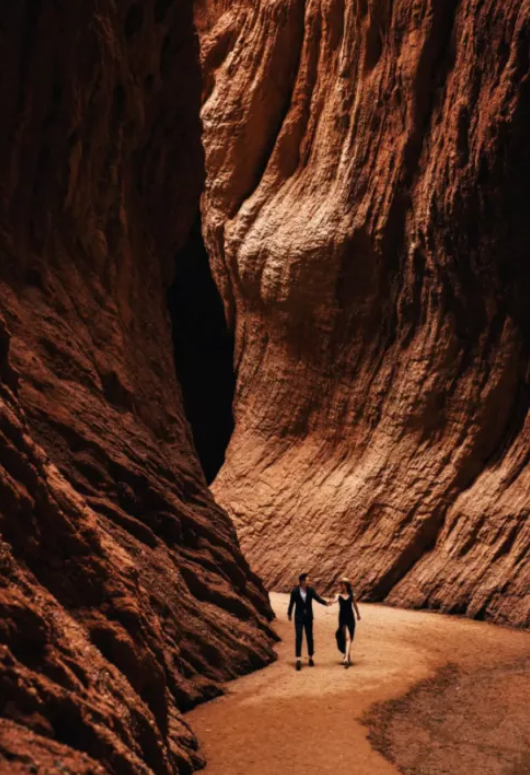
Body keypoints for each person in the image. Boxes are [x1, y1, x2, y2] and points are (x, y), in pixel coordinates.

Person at [288, 573, 328, 671]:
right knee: (299, 637)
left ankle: (310, 657)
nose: (309, 582)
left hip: (308, 617)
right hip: (299, 617)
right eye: (307, 580)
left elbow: (318, 599)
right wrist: (289, 614)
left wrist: (326, 603)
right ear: (302, 581)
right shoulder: (295, 591)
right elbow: (291, 603)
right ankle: (298, 659)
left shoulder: (310, 590)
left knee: (309, 637)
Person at [328, 577, 361, 667]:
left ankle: (346, 657)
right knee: (346, 637)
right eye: (341, 584)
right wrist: (331, 602)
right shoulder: (338, 595)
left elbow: (355, 606)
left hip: (350, 617)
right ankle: (347, 657)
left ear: (346, 585)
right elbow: (334, 600)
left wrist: (358, 615)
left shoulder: (352, 595)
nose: (341, 586)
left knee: (349, 638)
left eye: (342, 584)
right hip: (342, 618)